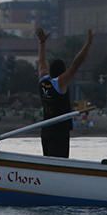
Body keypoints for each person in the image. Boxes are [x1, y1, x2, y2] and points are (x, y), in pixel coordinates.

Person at [36, 27, 93, 158]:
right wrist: (88, 44)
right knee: (59, 161)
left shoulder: (43, 81)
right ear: (62, 73)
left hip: (46, 130)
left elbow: (41, 62)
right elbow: (76, 64)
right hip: (59, 132)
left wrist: (42, 43)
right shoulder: (59, 83)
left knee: (48, 161)